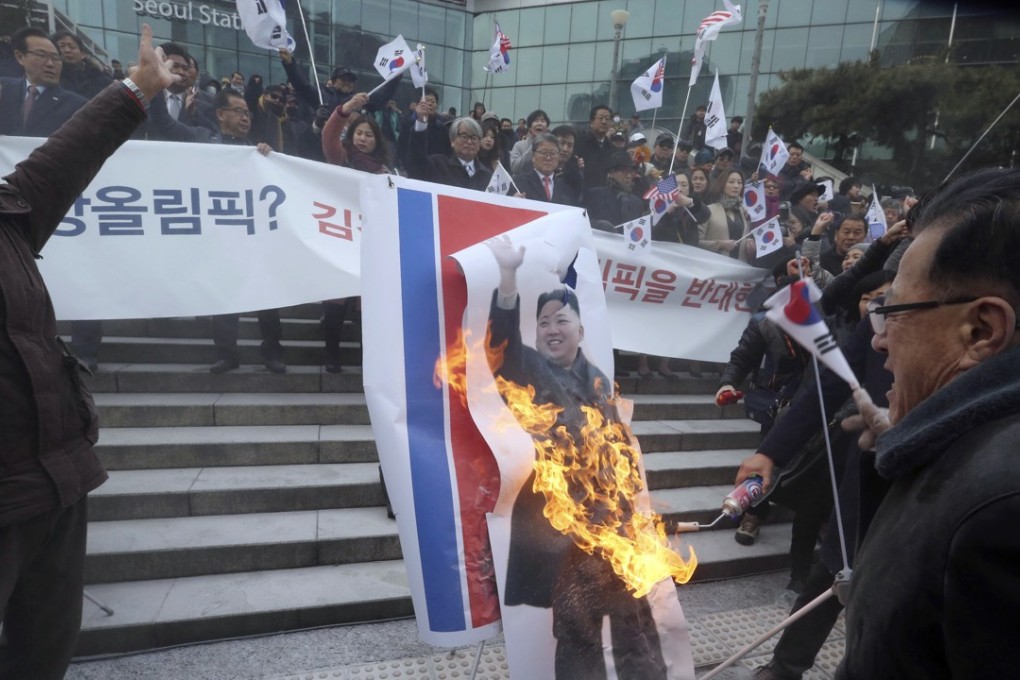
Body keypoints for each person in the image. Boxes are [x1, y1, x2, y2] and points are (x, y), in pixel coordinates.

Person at [0, 25, 175, 679]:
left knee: (45, 651)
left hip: (55, 484)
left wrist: (137, 89)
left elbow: (62, 159)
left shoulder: (9, 217)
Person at [834, 167, 1020, 679]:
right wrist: (909, 456)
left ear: (982, 329)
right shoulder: (973, 461)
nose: (878, 340)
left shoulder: (999, 515)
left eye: (892, 311)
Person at [485, 235, 668, 680]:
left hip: (616, 526)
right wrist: (507, 275)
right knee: (578, 626)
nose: (551, 328)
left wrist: (638, 512)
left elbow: (621, 448)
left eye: (560, 319)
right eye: (543, 321)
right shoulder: (526, 369)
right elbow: (504, 341)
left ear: (580, 330)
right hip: (560, 527)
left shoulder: (601, 380)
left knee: (634, 621)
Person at [0, 27, 86, 137]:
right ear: (20, 57)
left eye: (55, 58)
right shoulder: (4, 90)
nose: (50, 64)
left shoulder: (78, 105)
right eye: (41, 55)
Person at [405, 111, 493, 192]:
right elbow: (416, 168)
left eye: (474, 138)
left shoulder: (488, 176)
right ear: (452, 141)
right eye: (464, 136)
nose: (469, 142)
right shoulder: (439, 165)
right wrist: (421, 123)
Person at [512, 132, 578, 206]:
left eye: (553, 153)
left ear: (558, 156)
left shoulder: (566, 187)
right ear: (533, 156)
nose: (548, 158)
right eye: (543, 153)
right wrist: (512, 201)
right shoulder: (518, 182)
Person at [699, 169, 750, 259]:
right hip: (714, 265)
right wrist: (720, 244)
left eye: (739, 182)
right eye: (731, 182)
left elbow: (744, 236)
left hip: (739, 266)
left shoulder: (743, 211)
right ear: (722, 184)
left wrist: (749, 242)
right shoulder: (708, 210)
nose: (736, 186)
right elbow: (696, 242)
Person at [53, 30, 111, 99]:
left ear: (82, 54)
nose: (67, 50)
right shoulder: (48, 77)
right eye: (61, 46)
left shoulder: (100, 78)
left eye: (72, 47)